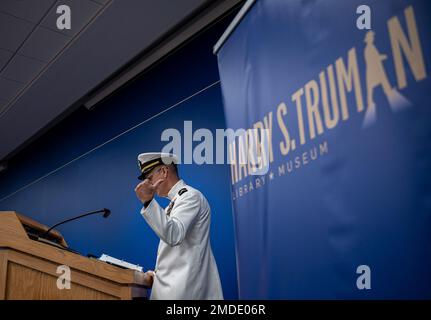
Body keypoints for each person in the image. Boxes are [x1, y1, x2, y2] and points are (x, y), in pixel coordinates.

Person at [134, 152, 223, 300]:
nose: (149, 184)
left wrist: (148, 201)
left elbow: (174, 235)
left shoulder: (190, 196)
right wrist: (158, 275)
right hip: (173, 289)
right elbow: (179, 253)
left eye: (149, 178)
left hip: (184, 292)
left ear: (163, 172)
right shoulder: (175, 202)